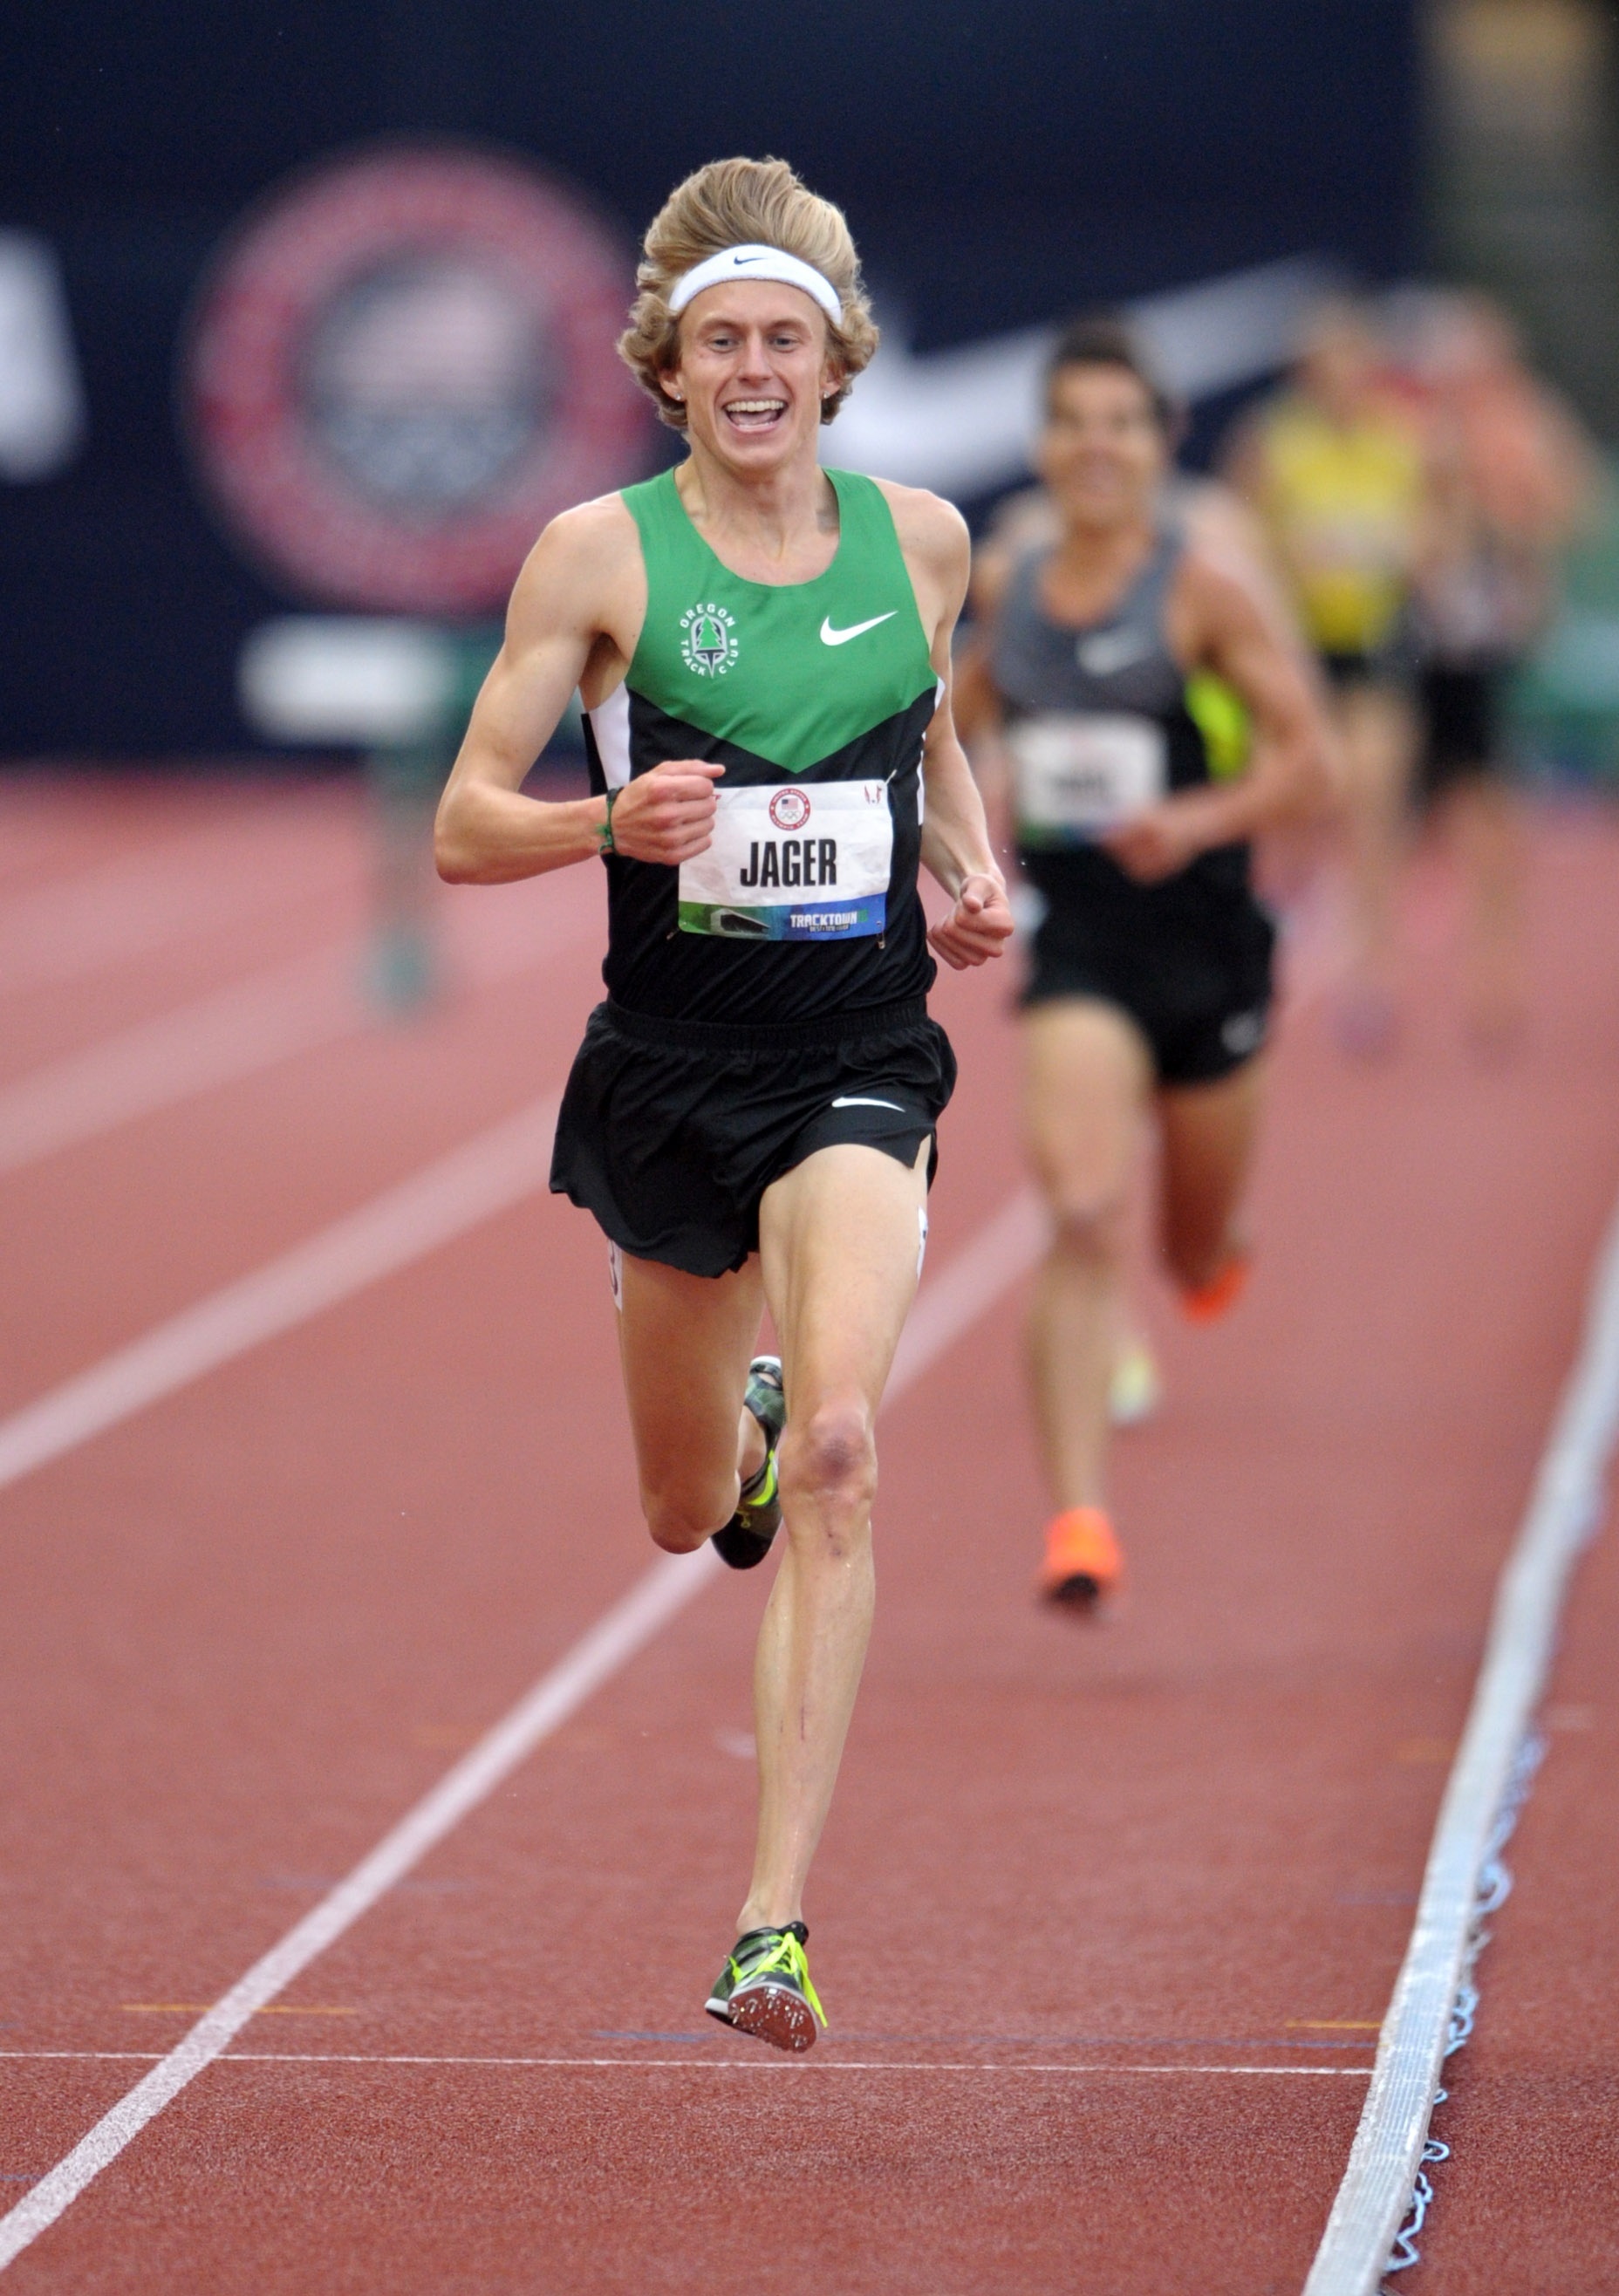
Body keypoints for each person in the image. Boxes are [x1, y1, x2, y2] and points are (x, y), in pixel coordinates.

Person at [434, 157, 1012, 2051]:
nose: (752, 369)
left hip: (858, 1054)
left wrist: (969, 860)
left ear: (835, 358)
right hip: (665, 1072)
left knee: (854, 1446)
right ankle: (734, 1444)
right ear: (667, 371)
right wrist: (606, 818)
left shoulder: (921, 536)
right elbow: (459, 827)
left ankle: (770, 1921)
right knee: (689, 1512)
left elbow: (927, 726)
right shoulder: (598, 556)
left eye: (782, 338)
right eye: (717, 344)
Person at [958, 318, 1329, 1609]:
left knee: (1187, 1251)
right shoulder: (1011, 580)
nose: (1094, 446)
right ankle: (1080, 1520)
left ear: (1161, 442)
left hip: (1211, 953)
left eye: (1121, 422)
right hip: (1086, 948)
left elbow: (1307, 761)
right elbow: (960, 726)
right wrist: (968, 819)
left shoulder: (1203, 585)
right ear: (1044, 443)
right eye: (1072, 422)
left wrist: (1199, 822)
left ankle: (1215, 1248)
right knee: (1078, 1211)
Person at [1224, 300, 1424, 1050]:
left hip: (1375, 649)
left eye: (1353, 366)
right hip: (1294, 654)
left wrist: (1399, 554)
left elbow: (1436, 535)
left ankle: (1373, 971)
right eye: (1326, 367)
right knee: (1289, 811)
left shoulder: (1403, 442)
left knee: (1373, 802)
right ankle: (1275, 939)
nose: (1341, 382)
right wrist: (1284, 569)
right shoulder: (1275, 444)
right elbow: (1235, 538)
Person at [1401, 291, 1595, 1049]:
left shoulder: (1526, 423)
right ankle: (1379, 973)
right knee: (1390, 814)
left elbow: (1568, 507)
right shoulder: (1413, 429)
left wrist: (1515, 523)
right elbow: (1397, 540)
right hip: (1422, 651)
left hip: (1498, 653)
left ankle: (1495, 973)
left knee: (1494, 822)